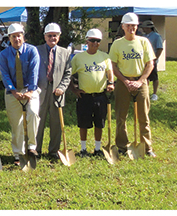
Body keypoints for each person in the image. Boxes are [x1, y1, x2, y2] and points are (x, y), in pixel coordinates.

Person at [108, 13, 157, 158]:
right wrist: (125, 81)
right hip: (123, 83)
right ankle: (122, 146)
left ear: (137, 26)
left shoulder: (144, 42)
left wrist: (140, 81)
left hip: (140, 82)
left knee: (144, 116)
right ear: (122, 27)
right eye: (128, 25)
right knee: (121, 116)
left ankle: (147, 147)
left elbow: (150, 64)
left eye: (134, 25)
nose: (131, 28)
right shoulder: (117, 44)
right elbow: (113, 65)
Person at [0, 23, 41, 165]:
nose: (17, 39)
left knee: (33, 113)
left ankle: (32, 147)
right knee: (16, 123)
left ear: (23, 36)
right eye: (13, 36)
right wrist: (13, 91)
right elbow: (4, 74)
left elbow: (34, 72)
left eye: (19, 35)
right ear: (9, 38)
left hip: (30, 89)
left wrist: (30, 91)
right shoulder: (4, 55)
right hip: (12, 92)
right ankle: (18, 153)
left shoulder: (32, 51)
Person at [69, 29, 115, 157]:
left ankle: (97, 148)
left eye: (98, 41)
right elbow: (69, 74)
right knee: (83, 123)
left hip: (100, 96)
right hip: (85, 96)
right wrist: (74, 89)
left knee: (99, 123)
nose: (95, 43)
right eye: (92, 40)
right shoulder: (78, 58)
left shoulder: (104, 56)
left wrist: (111, 83)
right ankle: (83, 149)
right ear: (86, 41)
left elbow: (110, 71)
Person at [35, 23, 72, 159]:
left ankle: (54, 151)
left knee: (56, 124)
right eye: (49, 35)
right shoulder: (36, 51)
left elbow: (68, 73)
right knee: (38, 122)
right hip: (40, 92)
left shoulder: (65, 52)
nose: (52, 38)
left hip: (57, 92)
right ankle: (36, 150)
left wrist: (62, 87)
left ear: (59, 36)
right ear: (45, 36)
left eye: (55, 35)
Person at [140, 20, 164, 101]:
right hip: (144, 61)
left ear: (148, 28)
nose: (142, 29)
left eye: (143, 27)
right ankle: (146, 92)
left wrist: (155, 59)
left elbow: (160, 48)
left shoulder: (157, 36)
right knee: (145, 76)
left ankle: (154, 94)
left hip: (152, 60)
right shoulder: (143, 37)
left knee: (154, 77)